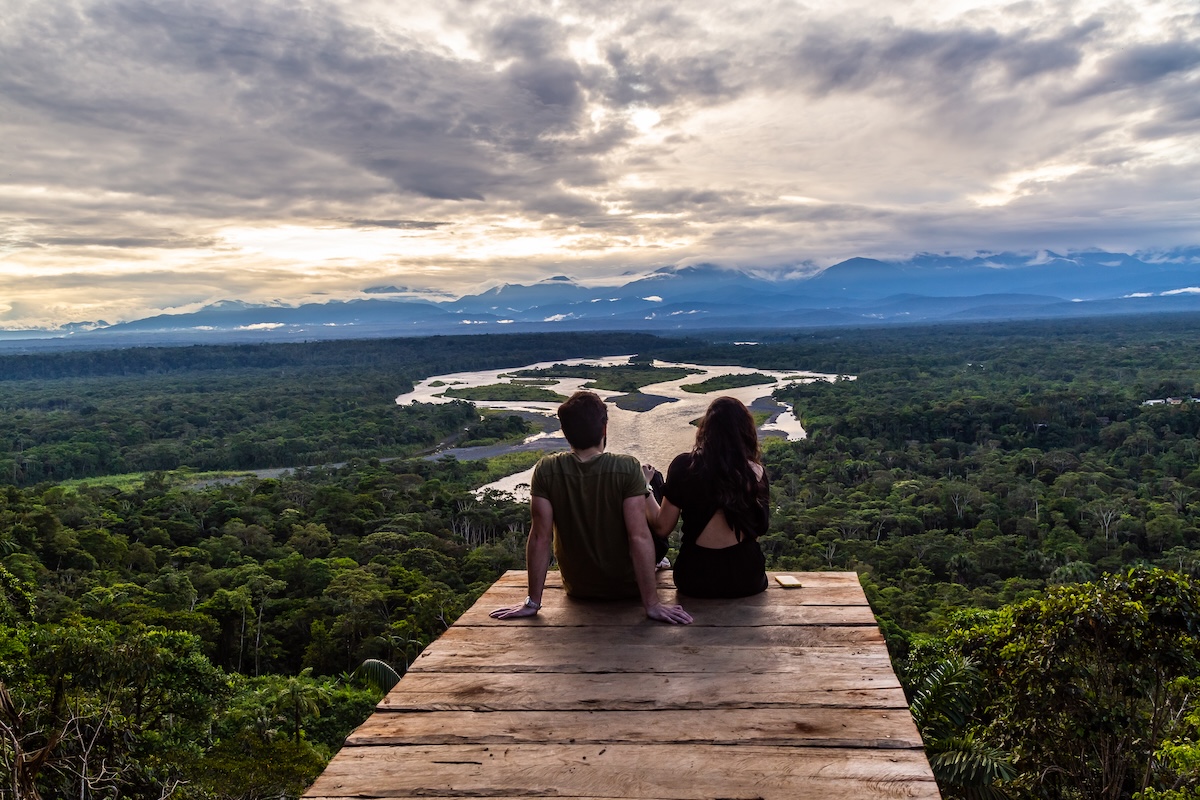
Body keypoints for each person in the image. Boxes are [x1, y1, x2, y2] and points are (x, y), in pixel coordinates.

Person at [490, 390, 692, 624]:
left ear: (566, 434)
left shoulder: (547, 469)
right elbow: (638, 536)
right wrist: (652, 604)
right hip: (628, 586)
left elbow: (539, 537)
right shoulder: (626, 467)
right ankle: (657, 563)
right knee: (652, 480)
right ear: (604, 428)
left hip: (578, 588)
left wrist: (532, 602)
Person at [644, 396, 769, 598]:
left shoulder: (684, 466)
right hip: (746, 578)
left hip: (694, 577)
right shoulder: (756, 472)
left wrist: (645, 487)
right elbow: (759, 529)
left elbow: (662, 527)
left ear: (706, 430)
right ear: (745, 432)